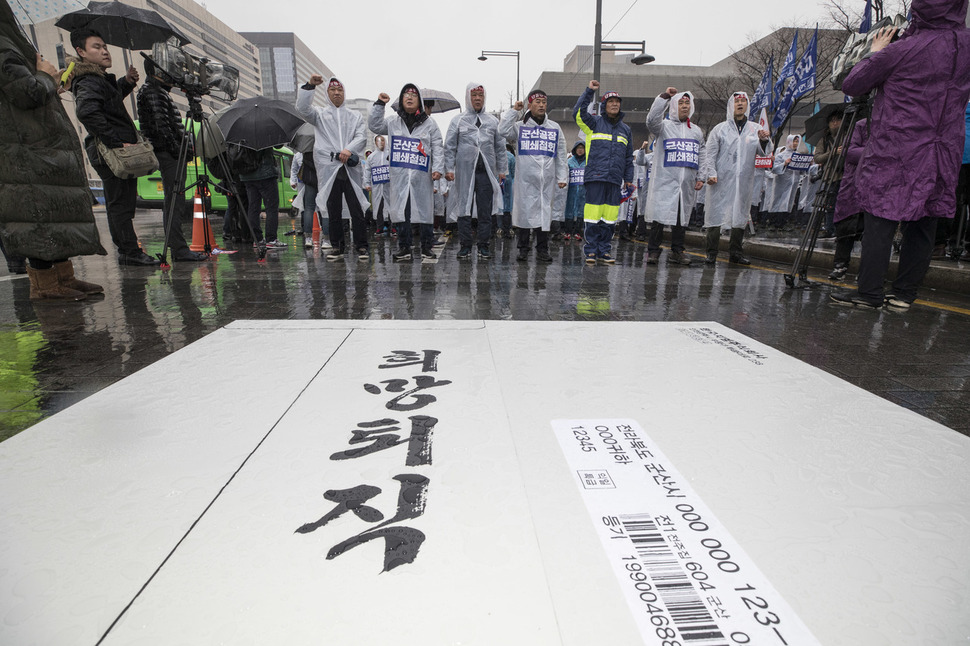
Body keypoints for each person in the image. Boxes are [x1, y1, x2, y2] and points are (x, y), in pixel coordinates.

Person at [832, 3, 970, 309]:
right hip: (943, 148)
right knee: (925, 219)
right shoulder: (966, 43)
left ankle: (869, 292)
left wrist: (876, 50)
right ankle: (904, 294)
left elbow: (853, 84)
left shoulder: (905, 48)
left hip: (897, 146)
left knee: (881, 216)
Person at [0, 6, 105, 300]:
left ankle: (63, 276)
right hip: (25, 150)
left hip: (35, 143)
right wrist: (45, 77)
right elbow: (25, 92)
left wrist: (51, 82)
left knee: (52, 211)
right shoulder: (3, 48)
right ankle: (45, 286)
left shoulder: (9, 44)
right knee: (38, 215)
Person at [70, 28, 158, 266]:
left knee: (124, 202)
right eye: (96, 47)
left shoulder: (99, 79)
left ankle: (128, 250)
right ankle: (129, 251)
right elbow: (87, 111)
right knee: (119, 204)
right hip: (111, 153)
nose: (104, 51)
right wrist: (117, 142)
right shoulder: (88, 80)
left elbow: (110, 101)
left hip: (117, 152)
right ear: (81, 52)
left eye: (105, 46)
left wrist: (126, 83)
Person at [135, 60, 205, 262]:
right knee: (174, 200)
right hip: (169, 154)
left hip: (170, 153)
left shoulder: (157, 91)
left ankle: (179, 248)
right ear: (157, 71)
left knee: (175, 200)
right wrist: (179, 151)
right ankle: (179, 249)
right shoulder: (152, 92)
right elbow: (162, 128)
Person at [297, 75, 369, 261]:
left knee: (356, 210)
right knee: (333, 209)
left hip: (350, 171)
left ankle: (362, 246)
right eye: (332, 90)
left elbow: (361, 136)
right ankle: (337, 246)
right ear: (327, 93)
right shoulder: (319, 115)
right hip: (330, 170)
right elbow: (302, 108)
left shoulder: (355, 116)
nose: (337, 93)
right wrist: (309, 86)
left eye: (340, 90)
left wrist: (348, 150)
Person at [369, 84, 444, 261]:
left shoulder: (429, 123)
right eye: (406, 95)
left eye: (413, 95)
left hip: (421, 175)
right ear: (401, 100)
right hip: (400, 176)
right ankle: (404, 247)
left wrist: (438, 168)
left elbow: (437, 147)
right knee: (401, 211)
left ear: (419, 100)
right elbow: (374, 125)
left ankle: (426, 247)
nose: (409, 97)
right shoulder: (393, 122)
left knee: (425, 211)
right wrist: (380, 104)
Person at [702, 91, 771, 265]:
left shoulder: (755, 129)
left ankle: (735, 252)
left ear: (747, 105)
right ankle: (711, 252)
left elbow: (764, 151)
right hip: (721, 181)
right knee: (715, 214)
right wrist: (711, 173)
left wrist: (763, 140)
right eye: (736, 101)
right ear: (730, 105)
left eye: (743, 101)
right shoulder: (720, 129)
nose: (740, 104)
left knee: (740, 215)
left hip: (743, 181)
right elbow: (710, 154)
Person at [498, 89, 568, 263]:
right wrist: (514, 111)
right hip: (526, 181)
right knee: (525, 214)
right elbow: (502, 130)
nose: (542, 105)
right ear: (530, 105)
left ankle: (542, 249)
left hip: (547, 181)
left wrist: (562, 177)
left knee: (544, 215)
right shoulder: (520, 127)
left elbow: (561, 153)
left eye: (544, 102)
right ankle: (523, 248)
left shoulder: (554, 128)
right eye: (538, 102)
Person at [444, 83, 508, 260]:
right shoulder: (458, 121)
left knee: (485, 210)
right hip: (464, 171)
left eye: (481, 95)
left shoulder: (493, 121)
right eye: (474, 96)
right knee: (463, 207)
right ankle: (465, 246)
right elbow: (449, 146)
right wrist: (449, 168)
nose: (478, 99)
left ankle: (483, 245)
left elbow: (500, 147)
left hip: (486, 173)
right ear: (468, 98)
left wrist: (502, 169)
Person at [574, 81, 635, 264]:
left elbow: (628, 158)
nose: (615, 104)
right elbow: (577, 113)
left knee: (609, 219)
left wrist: (629, 179)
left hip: (615, 181)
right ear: (604, 106)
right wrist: (588, 92)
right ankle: (591, 250)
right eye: (610, 102)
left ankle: (604, 250)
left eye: (617, 101)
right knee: (593, 217)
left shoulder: (626, 130)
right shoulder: (594, 123)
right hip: (595, 178)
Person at [644, 87, 706, 265]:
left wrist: (701, 176)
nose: (685, 106)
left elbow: (702, 153)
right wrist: (664, 97)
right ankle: (653, 251)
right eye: (680, 103)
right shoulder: (664, 127)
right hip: (665, 181)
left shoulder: (696, 131)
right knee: (659, 217)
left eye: (687, 103)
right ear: (672, 106)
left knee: (681, 218)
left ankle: (677, 251)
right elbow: (651, 120)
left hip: (685, 183)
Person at [829, 118, 869, 280]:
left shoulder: (893, 123)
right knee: (846, 228)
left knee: (872, 233)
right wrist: (875, 151)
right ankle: (840, 265)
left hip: (877, 190)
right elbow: (849, 151)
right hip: (852, 186)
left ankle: (867, 272)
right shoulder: (861, 125)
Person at [812, 108, 846, 238]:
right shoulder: (824, 140)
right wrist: (833, 153)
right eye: (832, 121)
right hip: (830, 177)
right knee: (830, 205)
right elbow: (817, 158)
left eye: (838, 120)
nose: (835, 123)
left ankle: (842, 231)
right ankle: (829, 229)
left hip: (845, 176)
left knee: (843, 204)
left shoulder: (848, 136)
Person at [763, 134, 803, 232]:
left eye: (797, 141)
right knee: (778, 201)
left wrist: (805, 165)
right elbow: (775, 169)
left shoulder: (798, 155)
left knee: (789, 202)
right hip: (781, 183)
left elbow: (802, 172)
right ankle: (774, 223)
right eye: (794, 141)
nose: (795, 143)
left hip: (793, 183)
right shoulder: (781, 155)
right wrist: (784, 163)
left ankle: (784, 223)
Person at [290, 150, 323, 248]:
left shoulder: (301, 154)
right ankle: (326, 237)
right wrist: (293, 180)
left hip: (308, 180)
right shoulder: (298, 155)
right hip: (308, 182)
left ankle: (308, 236)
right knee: (315, 207)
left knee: (309, 207)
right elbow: (294, 169)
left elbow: (294, 169)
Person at [364, 135, 390, 236]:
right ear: (375, 143)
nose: (381, 143)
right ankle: (379, 227)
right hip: (377, 186)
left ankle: (393, 227)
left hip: (389, 185)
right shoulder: (371, 157)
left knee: (391, 206)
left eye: (383, 140)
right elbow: (367, 171)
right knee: (379, 206)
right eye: (379, 141)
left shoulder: (390, 154)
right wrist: (366, 183)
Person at [565, 141, 587, 240]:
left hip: (583, 191)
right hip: (571, 190)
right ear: (574, 149)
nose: (580, 150)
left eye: (582, 148)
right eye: (578, 148)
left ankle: (578, 232)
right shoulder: (569, 161)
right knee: (569, 209)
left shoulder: (588, 162)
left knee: (581, 211)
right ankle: (567, 232)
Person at [500, 143, 516, 238]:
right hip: (508, 181)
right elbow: (513, 170)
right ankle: (507, 228)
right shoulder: (511, 156)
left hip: (498, 181)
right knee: (507, 204)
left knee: (498, 204)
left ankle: (498, 227)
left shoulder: (496, 155)